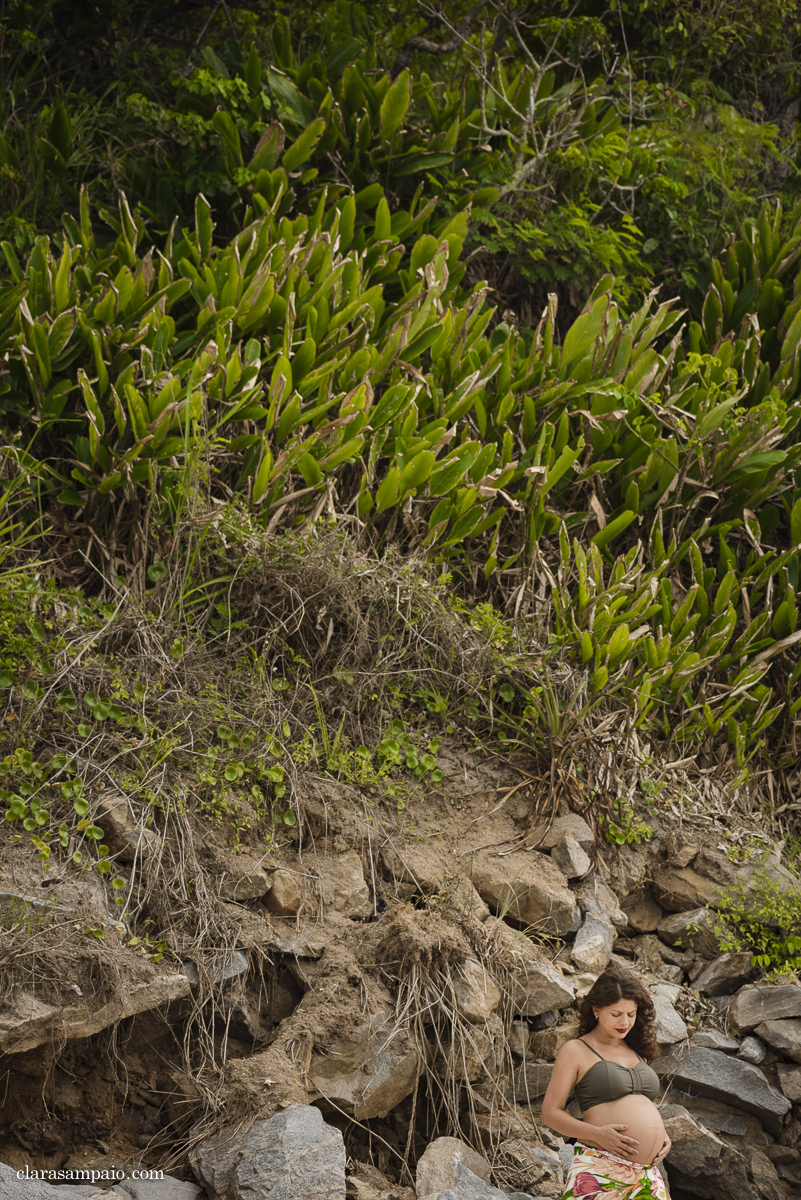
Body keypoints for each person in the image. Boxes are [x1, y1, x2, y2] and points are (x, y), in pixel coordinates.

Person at [541, 967, 671, 1199]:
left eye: (631, 1014)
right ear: (596, 1010)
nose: (625, 1022)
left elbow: (640, 1105)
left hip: (647, 1176)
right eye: (616, 1014)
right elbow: (550, 1113)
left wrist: (662, 1137)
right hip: (600, 1169)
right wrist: (598, 1134)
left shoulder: (638, 1049)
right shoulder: (576, 1050)